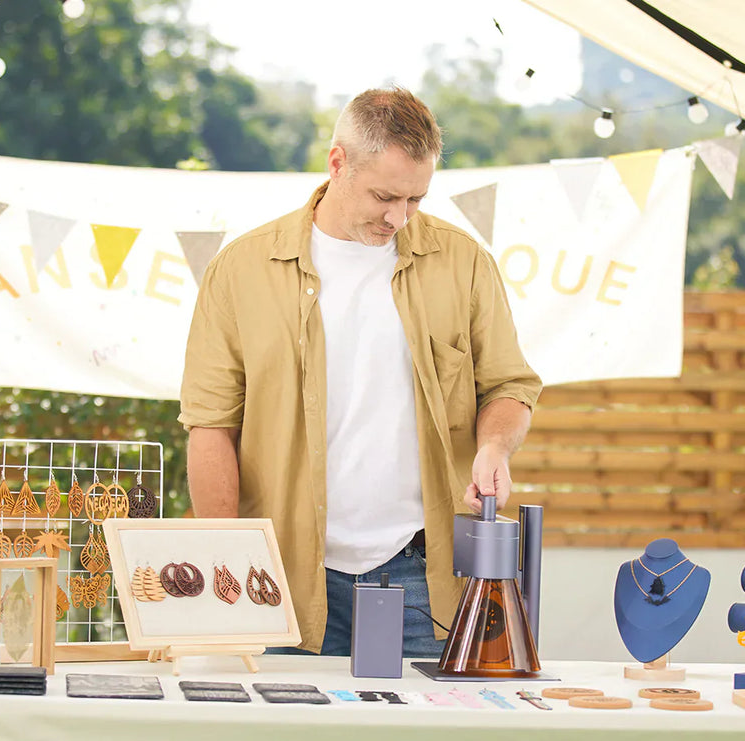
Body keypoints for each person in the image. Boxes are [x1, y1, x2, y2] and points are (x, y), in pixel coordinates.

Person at [178, 87, 541, 657]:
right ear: (337, 162)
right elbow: (210, 427)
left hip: (421, 578)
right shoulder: (240, 270)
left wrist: (494, 447)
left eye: (416, 199)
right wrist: (224, 563)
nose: (399, 217)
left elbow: (510, 386)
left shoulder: (463, 262)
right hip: (276, 577)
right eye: (384, 196)